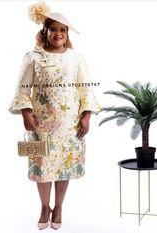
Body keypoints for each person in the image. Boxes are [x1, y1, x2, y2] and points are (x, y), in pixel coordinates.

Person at [8, 1, 101, 230]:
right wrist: (25, 114)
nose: (58, 33)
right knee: (41, 166)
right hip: (39, 125)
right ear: (45, 32)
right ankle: (43, 206)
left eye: (63, 30)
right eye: (53, 29)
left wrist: (86, 116)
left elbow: (86, 88)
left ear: (67, 34)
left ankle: (58, 207)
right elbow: (22, 88)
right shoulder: (33, 56)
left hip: (70, 125)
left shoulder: (76, 57)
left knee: (64, 165)